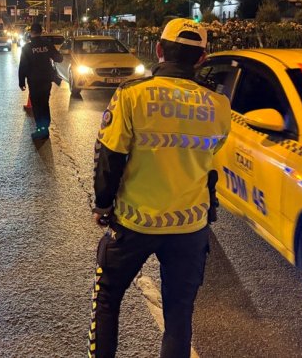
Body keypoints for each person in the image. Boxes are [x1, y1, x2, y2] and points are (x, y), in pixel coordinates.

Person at [88, 18, 231, 358]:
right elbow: (210, 167)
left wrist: (103, 206)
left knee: (107, 299)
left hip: (133, 223)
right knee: (179, 315)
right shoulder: (219, 106)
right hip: (189, 228)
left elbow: (110, 157)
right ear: (201, 59)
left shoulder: (131, 95)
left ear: (159, 50)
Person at [18, 22, 63, 140]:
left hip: (34, 81)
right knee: (44, 103)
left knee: (37, 105)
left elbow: (23, 66)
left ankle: (40, 129)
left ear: (31, 32)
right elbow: (59, 58)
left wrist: (21, 82)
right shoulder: (47, 45)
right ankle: (45, 129)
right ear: (41, 32)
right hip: (46, 80)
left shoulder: (27, 48)